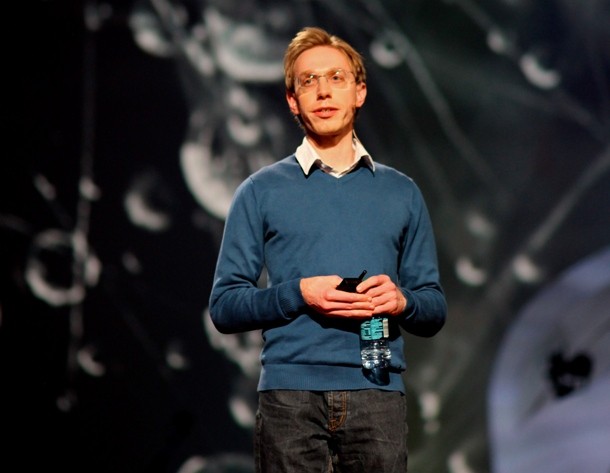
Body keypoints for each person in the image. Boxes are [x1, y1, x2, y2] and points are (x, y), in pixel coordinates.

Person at [209, 26, 447, 472]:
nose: (322, 91)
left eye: (336, 78)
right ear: (292, 101)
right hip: (289, 400)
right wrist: (299, 293)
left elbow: (433, 307)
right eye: (308, 81)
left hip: (377, 394)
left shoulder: (401, 192)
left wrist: (402, 300)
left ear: (359, 92)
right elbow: (224, 307)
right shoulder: (258, 192)